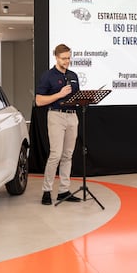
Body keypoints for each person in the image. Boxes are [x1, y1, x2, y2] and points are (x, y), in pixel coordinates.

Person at [35, 43, 82, 205]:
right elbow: (39, 101)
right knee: (55, 154)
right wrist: (59, 94)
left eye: (69, 58)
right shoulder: (48, 76)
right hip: (56, 116)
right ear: (56, 57)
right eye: (63, 58)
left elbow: (76, 96)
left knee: (68, 155)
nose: (67, 61)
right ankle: (47, 191)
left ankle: (63, 190)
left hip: (72, 116)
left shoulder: (74, 75)